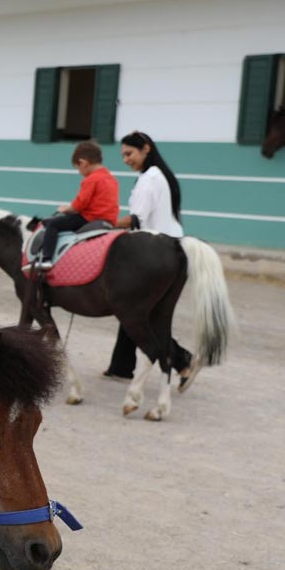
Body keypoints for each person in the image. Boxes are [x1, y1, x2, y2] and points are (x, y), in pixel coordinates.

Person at [104, 131, 195, 383]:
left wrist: (104, 223)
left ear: (145, 149)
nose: (125, 159)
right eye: (123, 155)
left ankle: (181, 359)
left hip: (154, 253)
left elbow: (135, 220)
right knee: (135, 309)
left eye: (129, 153)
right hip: (173, 248)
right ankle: (121, 365)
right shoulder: (162, 175)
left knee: (140, 313)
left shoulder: (149, 178)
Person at [31, 141, 119, 271]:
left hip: (90, 218)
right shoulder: (112, 179)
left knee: (52, 224)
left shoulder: (90, 179)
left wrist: (66, 208)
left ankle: (46, 260)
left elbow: (79, 205)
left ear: (83, 163)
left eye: (78, 168)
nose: (79, 172)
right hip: (109, 220)